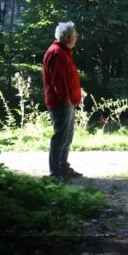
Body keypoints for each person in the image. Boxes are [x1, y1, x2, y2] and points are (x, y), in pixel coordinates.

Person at [42, 21, 83, 180]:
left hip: (67, 102)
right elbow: (58, 81)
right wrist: (66, 100)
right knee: (60, 138)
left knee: (67, 137)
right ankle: (55, 172)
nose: (76, 37)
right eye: (75, 35)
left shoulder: (63, 52)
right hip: (61, 103)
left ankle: (63, 167)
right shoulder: (56, 53)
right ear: (68, 37)